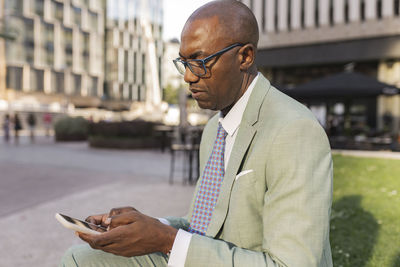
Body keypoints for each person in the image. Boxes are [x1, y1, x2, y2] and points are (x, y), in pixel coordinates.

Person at [61, 1, 333, 266]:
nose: (188, 77)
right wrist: (147, 228)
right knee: (78, 259)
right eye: (184, 62)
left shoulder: (294, 129)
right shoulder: (215, 127)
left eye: (200, 61)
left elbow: (293, 263)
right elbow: (203, 225)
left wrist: (165, 240)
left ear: (245, 57)